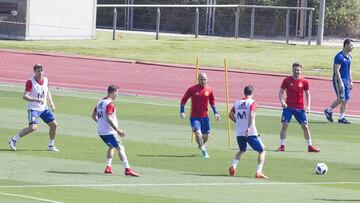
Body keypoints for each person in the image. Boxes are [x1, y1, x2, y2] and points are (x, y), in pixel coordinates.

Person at [9, 64, 59, 152]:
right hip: (33, 109)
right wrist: (36, 99)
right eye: (38, 71)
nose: (40, 73)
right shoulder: (30, 82)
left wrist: (52, 103)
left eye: (41, 70)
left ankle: (51, 146)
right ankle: (13, 140)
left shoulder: (46, 80)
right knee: (33, 128)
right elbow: (24, 96)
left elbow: (47, 92)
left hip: (44, 108)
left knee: (54, 125)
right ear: (34, 71)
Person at [92, 85, 139, 177]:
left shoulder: (100, 101)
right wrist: (117, 130)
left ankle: (108, 167)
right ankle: (127, 169)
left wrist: (101, 123)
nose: (117, 94)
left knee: (112, 147)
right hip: (109, 132)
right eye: (117, 92)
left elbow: (93, 116)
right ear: (113, 92)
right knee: (120, 148)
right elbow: (109, 118)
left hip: (101, 132)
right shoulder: (110, 104)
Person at [277, 63, 320, 152]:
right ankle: (282, 146)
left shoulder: (304, 81)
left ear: (301, 70)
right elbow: (280, 93)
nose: (296, 71)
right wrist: (282, 102)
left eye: (298, 70)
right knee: (284, 125)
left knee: (305, 127)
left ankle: (310, 146)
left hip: (299, 108)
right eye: (295, 70)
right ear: (292, 70)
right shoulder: (287, 80)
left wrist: (308, 106)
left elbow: (307, 94)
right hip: (288, 108)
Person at [228, 85, 268, 179]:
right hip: (250, 133)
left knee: (242, 150)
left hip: (239, 132)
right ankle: (258, 172)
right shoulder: (252, 102)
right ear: (252, 93)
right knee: (262, 150)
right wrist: (248, 128)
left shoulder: (237, 103)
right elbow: (251, 114)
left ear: (244, 92)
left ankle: (233, 166)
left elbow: (230, 114)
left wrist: (237, 122)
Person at [180, 72, 220, 159]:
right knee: (198, 134)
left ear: (207, 79)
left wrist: (215, 113)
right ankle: (203, 150)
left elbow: (212, 102)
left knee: (206, 136)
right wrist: (182, 111)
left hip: (205, 117)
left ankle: (201, 145)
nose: (203, 81)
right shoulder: (192, 89)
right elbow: (184, 100)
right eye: (201, 79)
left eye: (204, 79)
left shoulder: (209, 90)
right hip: (194, 117)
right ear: (198, 79)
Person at [324, 39, 354, 124]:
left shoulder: (350, 57)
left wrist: (351, 81)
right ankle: (328, 110)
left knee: (346, 99)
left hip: (347, 81)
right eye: (351, 45)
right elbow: (336, 70)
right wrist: (340, 82)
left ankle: (341, 118)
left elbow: (349, 70)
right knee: (341, 98)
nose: (352, 47)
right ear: (346, 45)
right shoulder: (339, 56)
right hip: (339, 80)